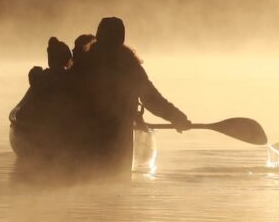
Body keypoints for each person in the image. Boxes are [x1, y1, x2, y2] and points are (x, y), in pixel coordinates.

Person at [70, 17, 192, 171]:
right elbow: (152, 99)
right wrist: (177, 117)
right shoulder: (130, 67)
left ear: (99, 36)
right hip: (116, 142)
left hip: (82, 142)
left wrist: (177, 117)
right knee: (115, 188)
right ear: (121, 39)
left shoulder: (84, 64)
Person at [13, 37, 73, 127]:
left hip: (36, 121)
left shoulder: (39, 77)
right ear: (66, 60)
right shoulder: (70, 78)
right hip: (56, 124)